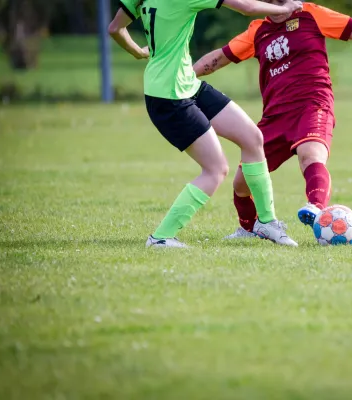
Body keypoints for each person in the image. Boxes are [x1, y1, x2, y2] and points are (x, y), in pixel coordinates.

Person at [192, 0, 352, 240]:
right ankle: (249, 229)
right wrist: (180, 75)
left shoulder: (311, 14)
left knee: (311, 154)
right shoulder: (257, 31)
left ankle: (316, 207)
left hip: (313, 104)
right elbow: (217, 59)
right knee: (242, 184)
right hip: (275, 117)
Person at [108, 0, 304, 248]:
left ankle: (266, 223)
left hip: (186, 84)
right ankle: (160, 238)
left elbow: (115, 29)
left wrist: (138, 51)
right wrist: (285, 9)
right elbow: (247, 7)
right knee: (216, 169)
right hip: (168, 97)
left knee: (252, 138)